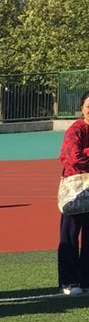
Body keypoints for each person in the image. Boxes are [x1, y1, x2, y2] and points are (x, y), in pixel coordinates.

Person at [57, 91, 89, 297]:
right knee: (69, 235)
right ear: (82, 108)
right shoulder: (76, 130)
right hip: (76, 190)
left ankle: (86, 279)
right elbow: (73, 157)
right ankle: (68, 281)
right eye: (88, 106)